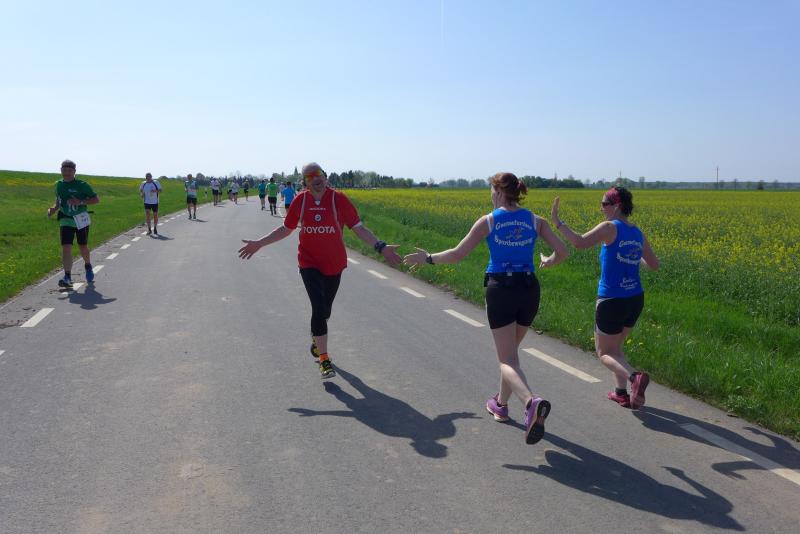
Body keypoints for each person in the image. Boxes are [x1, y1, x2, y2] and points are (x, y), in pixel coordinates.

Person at [404, 172, 568, 445]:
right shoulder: (535, 220)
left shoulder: (489, 220)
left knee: (507, 360)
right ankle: (500, 405)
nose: (490, 196)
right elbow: (562, 252)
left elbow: (458, 254)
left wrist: (429, 258)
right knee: (511, 355)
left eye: (491, 191)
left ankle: (531, 403)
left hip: (502, 289)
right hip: (529, 289)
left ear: (499, 191)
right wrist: (548, 261)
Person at [238, 162, 402, 379]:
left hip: (334, 264)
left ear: (325, 177)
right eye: (310, 176)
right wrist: (260, 243)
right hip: (309, 263)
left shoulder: (338, 199)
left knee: (325, 311)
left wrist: (380, 247)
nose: (316, 178)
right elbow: (286, 228)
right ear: (304, 182)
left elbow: (358, 229)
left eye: (319, 174)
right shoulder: (301, 201)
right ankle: (324, 359)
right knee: (317, 307)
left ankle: (317, 340)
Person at [550, 186, 659, 409]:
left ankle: (634, 377)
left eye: (604, 204)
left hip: (612, 300)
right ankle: (621, 393)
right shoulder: (637, 232)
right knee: (616, 347)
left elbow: (579, 242)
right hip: (635, 299)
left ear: (616, 206)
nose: (601, 209)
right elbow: (654, 265)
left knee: (604, 353)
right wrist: (632, 257)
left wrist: (558, 223)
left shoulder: (609, 227)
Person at [46, 159, 100, 288]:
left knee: (83, 246)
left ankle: (88, 265)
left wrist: (80, 202)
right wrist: (54, 208)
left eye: (69, 170)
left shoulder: (82, 185)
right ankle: (67, 276)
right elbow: (59, 200)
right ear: (61, 170)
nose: (66, 173)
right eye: (64, 170)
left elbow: (96, 200)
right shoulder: (58, 184)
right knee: (66, 247)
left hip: (80, 219)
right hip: (65, 219)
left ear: (74, 171)